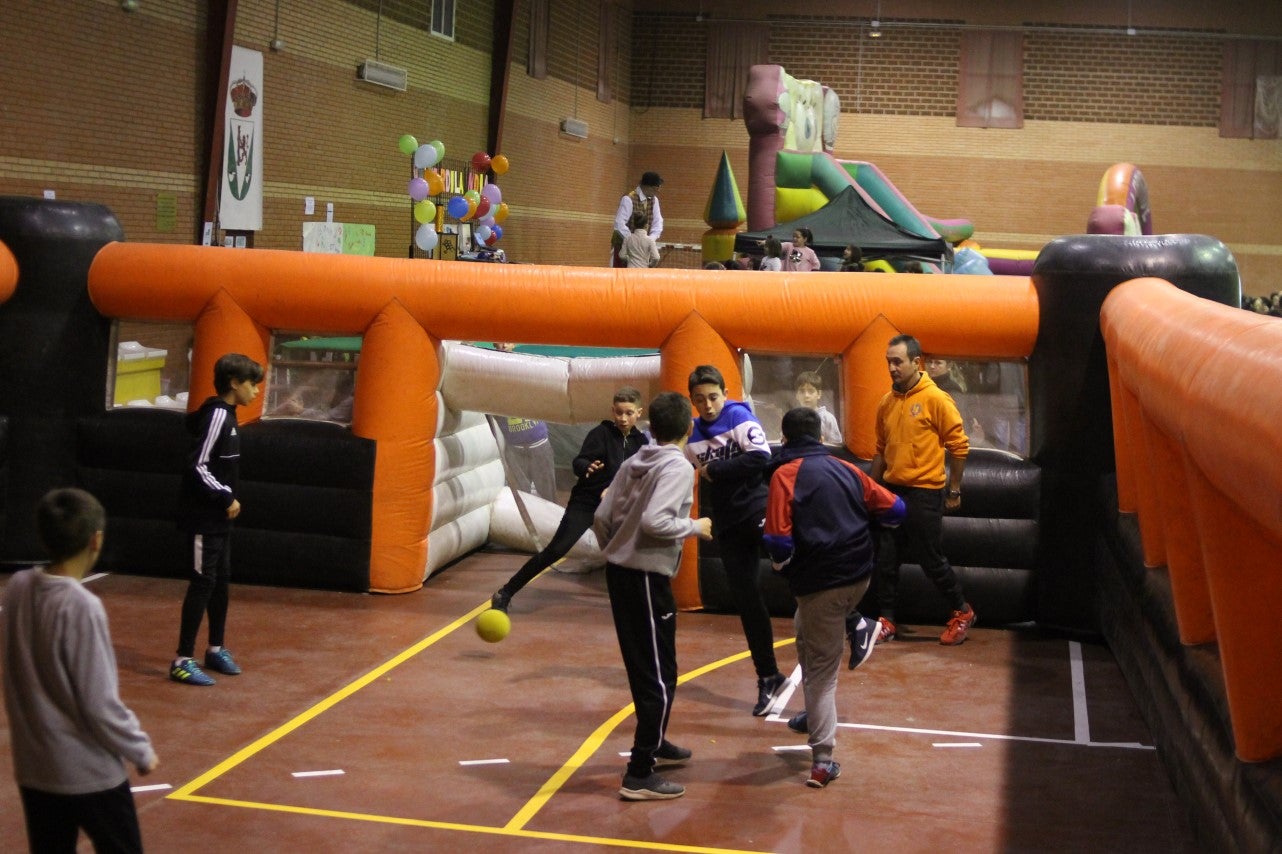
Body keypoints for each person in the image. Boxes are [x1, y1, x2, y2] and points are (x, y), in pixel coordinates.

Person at [3, 488, 158, 853]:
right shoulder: (82, 607)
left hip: (35, 770)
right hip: (88, 774)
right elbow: (98, 702)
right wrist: (139, 748)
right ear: (96, 540)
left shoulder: (17, 588)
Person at [763, 409, 905, 788]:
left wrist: (782, 565)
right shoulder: (847, 469)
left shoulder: (785, 473)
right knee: (803, 629)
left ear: (785, 438)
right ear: (821, 435)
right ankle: (858, 622)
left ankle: (823, 760)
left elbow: (777, 540)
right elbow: (897, 508)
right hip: (860, 575)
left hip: (822, 585)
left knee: (822, 675)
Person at [593, 391, 713, 801]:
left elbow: (600, 516)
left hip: (622, 575)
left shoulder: (634, 459)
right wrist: (695, 527)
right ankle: (639, 772)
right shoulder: (677, 466)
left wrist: (616, 549)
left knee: (657, 668)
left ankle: (655, 740)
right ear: (688, 428)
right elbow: (657, 520)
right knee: (657, 677)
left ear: (652, 426)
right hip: (644, 579)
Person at [685, 364, 790, 716]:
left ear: (725, 393)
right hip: (728, 525)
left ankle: (851, 619)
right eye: (700, 400)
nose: (708, 405)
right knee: (747, 600)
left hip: (757, 509)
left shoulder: (738, 416)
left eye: (713, 397)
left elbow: (760, 457)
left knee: (794, 566)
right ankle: (768, 675)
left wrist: (715, 470)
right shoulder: (694, 437)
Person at [490, 387, 648, 612]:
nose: (623, 418)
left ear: (639, 413)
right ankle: (505, 592)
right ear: (612, 411)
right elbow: (579, 462)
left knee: (630, 552)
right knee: (556, 550)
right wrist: (587, 467)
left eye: (629, 413)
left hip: (616, 506)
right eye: (619, 412)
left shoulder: (640, 443)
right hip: (586, 503)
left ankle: (636, 601)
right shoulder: (600, 434)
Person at [871, 334, 976, 645]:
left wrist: (954, 490)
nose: (891, 367)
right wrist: (872, 490)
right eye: (888, 362)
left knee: (930, 559)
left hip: (925, 493)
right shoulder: (886, 402)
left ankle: (962, 611)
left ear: (916, 363)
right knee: (886, 558)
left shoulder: (937, 399)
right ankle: (887, 620)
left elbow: (959, 447)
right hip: (892, 492)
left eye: (897, 361)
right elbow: (880, 449)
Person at [171, 352, 263, 686]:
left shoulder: (229, 415)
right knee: (203, 583)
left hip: (220, 520)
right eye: (251, 384)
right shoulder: (217, 417)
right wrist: (225, 495)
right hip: (204, 518)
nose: (256, 391)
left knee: (220, 581)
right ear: (234, 383)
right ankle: (182, 659)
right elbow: (198, 465)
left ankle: (215, 648)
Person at [492, 344, 558, 501]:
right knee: (521, 497)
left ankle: (551, 524)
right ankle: (526, 524)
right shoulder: (493, 375)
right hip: (515, 449)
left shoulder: (525, 369)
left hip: (539, 445)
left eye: (506, 342)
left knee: (548, 494)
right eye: (497, 343)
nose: (502, 346)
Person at [611, 171, 663, 268]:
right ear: (647, 186)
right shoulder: (628, 199)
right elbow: (619, 224)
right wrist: (634, 241)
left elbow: (658, 223)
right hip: (623, 245)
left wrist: (649, 240)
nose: (657, 192)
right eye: (656, 189)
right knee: (622, 276)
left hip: (642, 247)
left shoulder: (654, 200)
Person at [793, 370, 842, 445]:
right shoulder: (792, 418)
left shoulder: (828, 418)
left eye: (811, 391)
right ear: (796, 395)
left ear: (819, 394)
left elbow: (835, 445)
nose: (806, 395)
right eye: (802, 391)